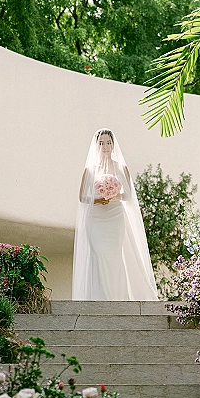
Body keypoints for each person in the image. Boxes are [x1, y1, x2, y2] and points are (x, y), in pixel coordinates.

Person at [72, 129, 158, 301]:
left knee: (114, 255)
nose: (105, 146)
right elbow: (82, 197)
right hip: (96, 219)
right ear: (96, 146)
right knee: (98, 254)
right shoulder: (89, 170)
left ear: (113, 145)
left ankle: (117, 298)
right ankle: (99, 298)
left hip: (115, 217)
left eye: (108, 143)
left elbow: (128, 196)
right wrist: (98, 200)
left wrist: (112, 195)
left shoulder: (121, 167)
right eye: (101, 143)